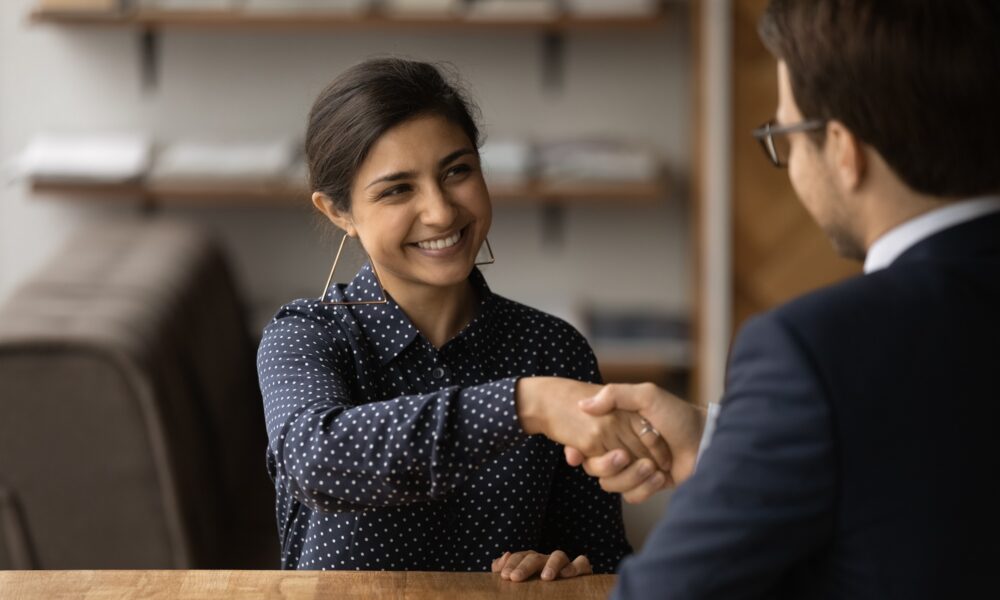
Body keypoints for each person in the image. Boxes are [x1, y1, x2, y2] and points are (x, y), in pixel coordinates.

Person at [560, 0, 1000, 597]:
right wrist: (724, 441)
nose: (788, 162)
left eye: (786, 134)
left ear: (844, 150)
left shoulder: (815, 351)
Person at [256, 58, 672, 578]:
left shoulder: (554, 349)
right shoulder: (306, 335)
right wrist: (526, 404)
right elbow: (319, 461)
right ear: (339, 213)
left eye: (456, 171)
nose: (441, 212)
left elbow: (605, 559)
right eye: (397, 189)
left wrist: (568, 567)